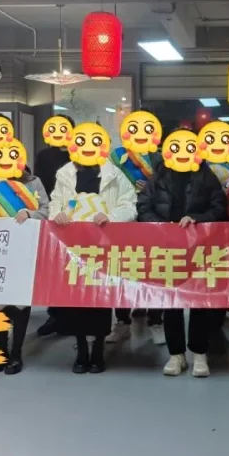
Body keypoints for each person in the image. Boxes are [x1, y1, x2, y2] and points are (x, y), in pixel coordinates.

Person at [137, 129, 227, 377]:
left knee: (199, 302)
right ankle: (176, 355)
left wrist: (197, 219)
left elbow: (219, 209)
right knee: (171, 302)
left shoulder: (206, 176)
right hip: (167, 247)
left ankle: (199, 353)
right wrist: (160, 226)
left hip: (199, 247)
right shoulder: (158, 176)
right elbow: (143, 206)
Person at [49, 127, 137, 374]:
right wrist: (58, 215)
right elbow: (55, 202)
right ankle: (81, 349)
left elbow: (130, 204)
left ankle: (98, 349)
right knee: (76, 298)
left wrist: (111, 216)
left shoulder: (114, 175)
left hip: (103, 245)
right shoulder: (65, 174)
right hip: (72, 246)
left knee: (100, 298)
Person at [0, 165, 50, 375]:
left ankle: (16, 354)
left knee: (20, 302)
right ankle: (0, 351)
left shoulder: (33, 182)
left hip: (24, 250)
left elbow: (47, 211)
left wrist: (29, 213)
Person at [34, 115, 75, 338]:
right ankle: (55, 315)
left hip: (78, 215)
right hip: (53, 216)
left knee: (74, 267)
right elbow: (40, 186)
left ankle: (73, 316)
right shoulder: (44, 155)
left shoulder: (79, 153)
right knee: (54, 266)